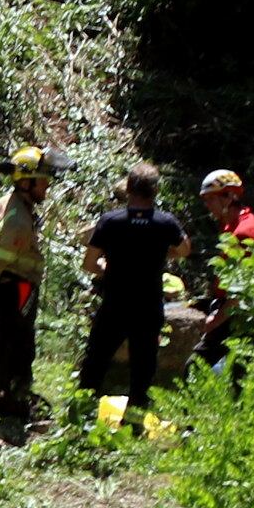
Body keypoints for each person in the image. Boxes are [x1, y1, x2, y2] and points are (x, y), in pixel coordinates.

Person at [79, 164, 194, 414]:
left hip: (114, 305)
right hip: (148, 306)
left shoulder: (110, 221)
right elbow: (185, 249)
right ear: (155, 191)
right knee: (143, 367)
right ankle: (134, 420)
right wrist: (165, 253)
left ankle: (82, 414)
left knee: (96, 360)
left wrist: (106, 269)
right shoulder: (166, 223)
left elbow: (88, 263)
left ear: (128, 189)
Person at [162, 168, 254, 372]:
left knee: (195, 369)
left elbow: (248, 287)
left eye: (210, 199)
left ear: (228, 197)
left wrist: (216, 319)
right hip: (227, 307)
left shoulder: (245, 232)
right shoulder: (231, 226)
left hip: (236, 315)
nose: (207, 205)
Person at [0, 147, 53, 432]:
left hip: (14, 284)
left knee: (12, 339)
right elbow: (0, 259)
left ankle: (8, 394)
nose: (46, 188)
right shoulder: (18, 219)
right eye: (42, 182)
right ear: (26, 182)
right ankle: (11, 399)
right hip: (17, 286)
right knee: (19, 344)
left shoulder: (11, 205)